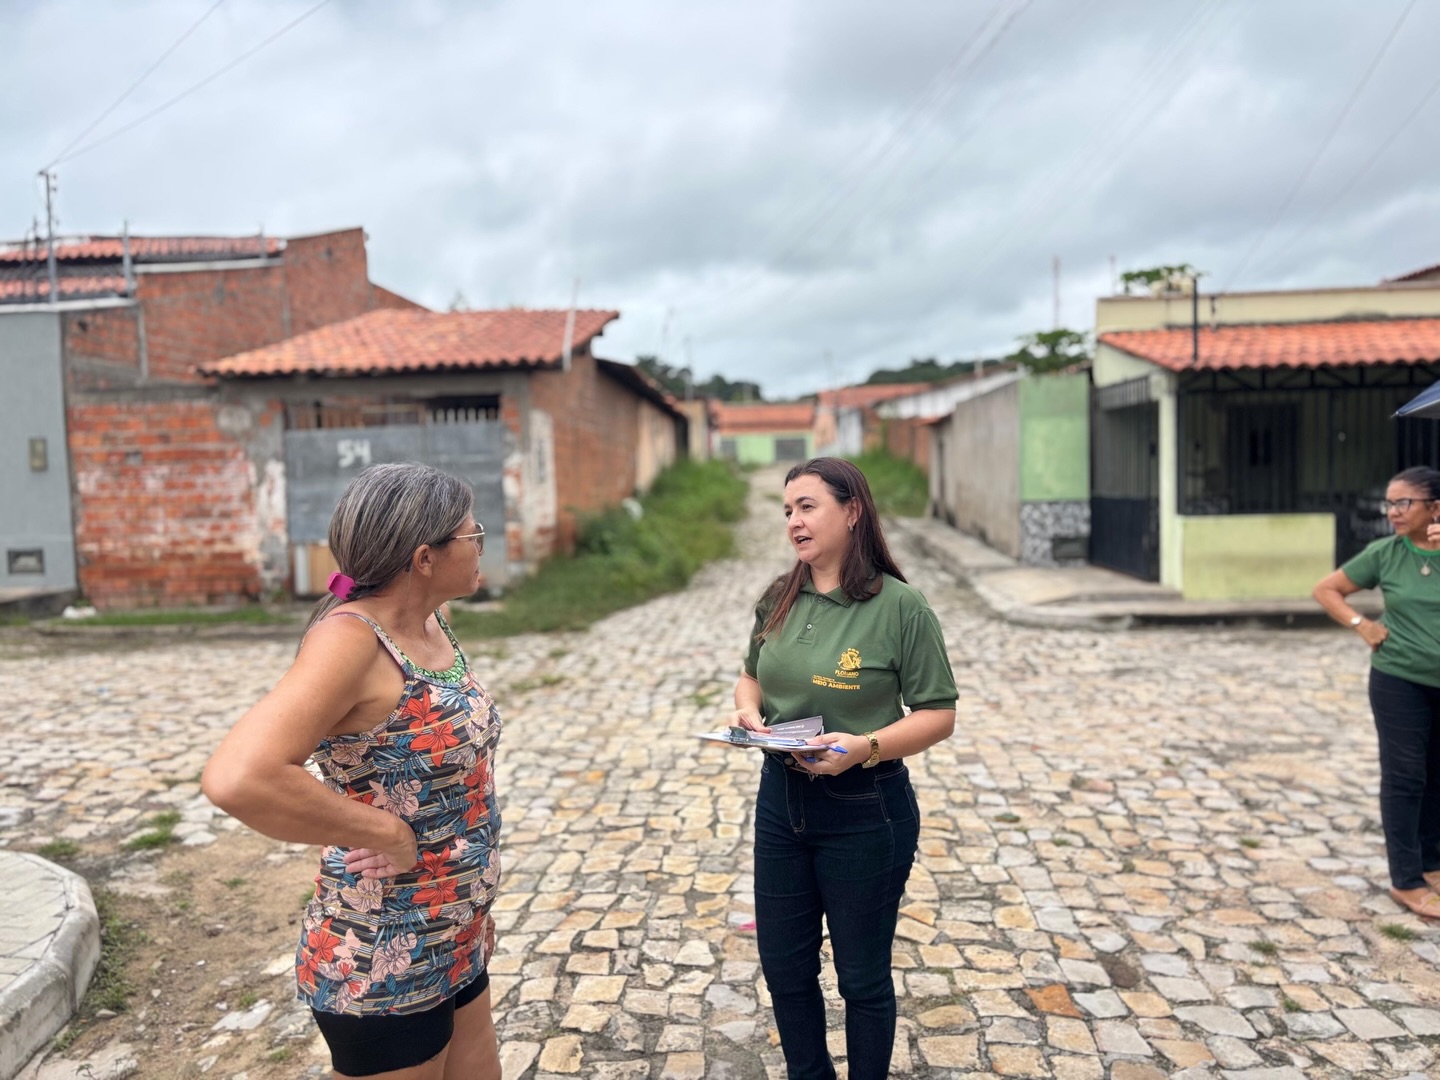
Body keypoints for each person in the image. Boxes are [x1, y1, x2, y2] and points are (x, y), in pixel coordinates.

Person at [202, 463, 502, 1080]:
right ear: (424, 557)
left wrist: (472, 903)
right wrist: (382, 832)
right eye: (473, 536)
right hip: (382, 947)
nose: (480, 547)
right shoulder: (350, 641)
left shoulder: (430, 624)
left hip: (454, 929)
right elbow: (239, 776)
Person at [729, 457, 958, 1080]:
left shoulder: (901, 607)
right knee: (784, 968)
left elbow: (938, 713)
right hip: (781, 802)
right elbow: (751, 676)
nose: (794, 523)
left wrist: (865, 747)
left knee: (861, 977)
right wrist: (749, 713)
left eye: (807, 507)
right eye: (787, 511)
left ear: (851, 510)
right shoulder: (779, 597)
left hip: (866, 809)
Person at [1314, 465, 1440, 919]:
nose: (1392, 512)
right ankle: (1406, 879)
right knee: (1406, 776)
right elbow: (1327, 589)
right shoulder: (1386, 553)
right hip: (1399, 679)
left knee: (1437, 777)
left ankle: (1432, 863)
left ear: (1436, 507)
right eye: (1389, 503)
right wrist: (1362, 624)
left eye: (1403, 502)